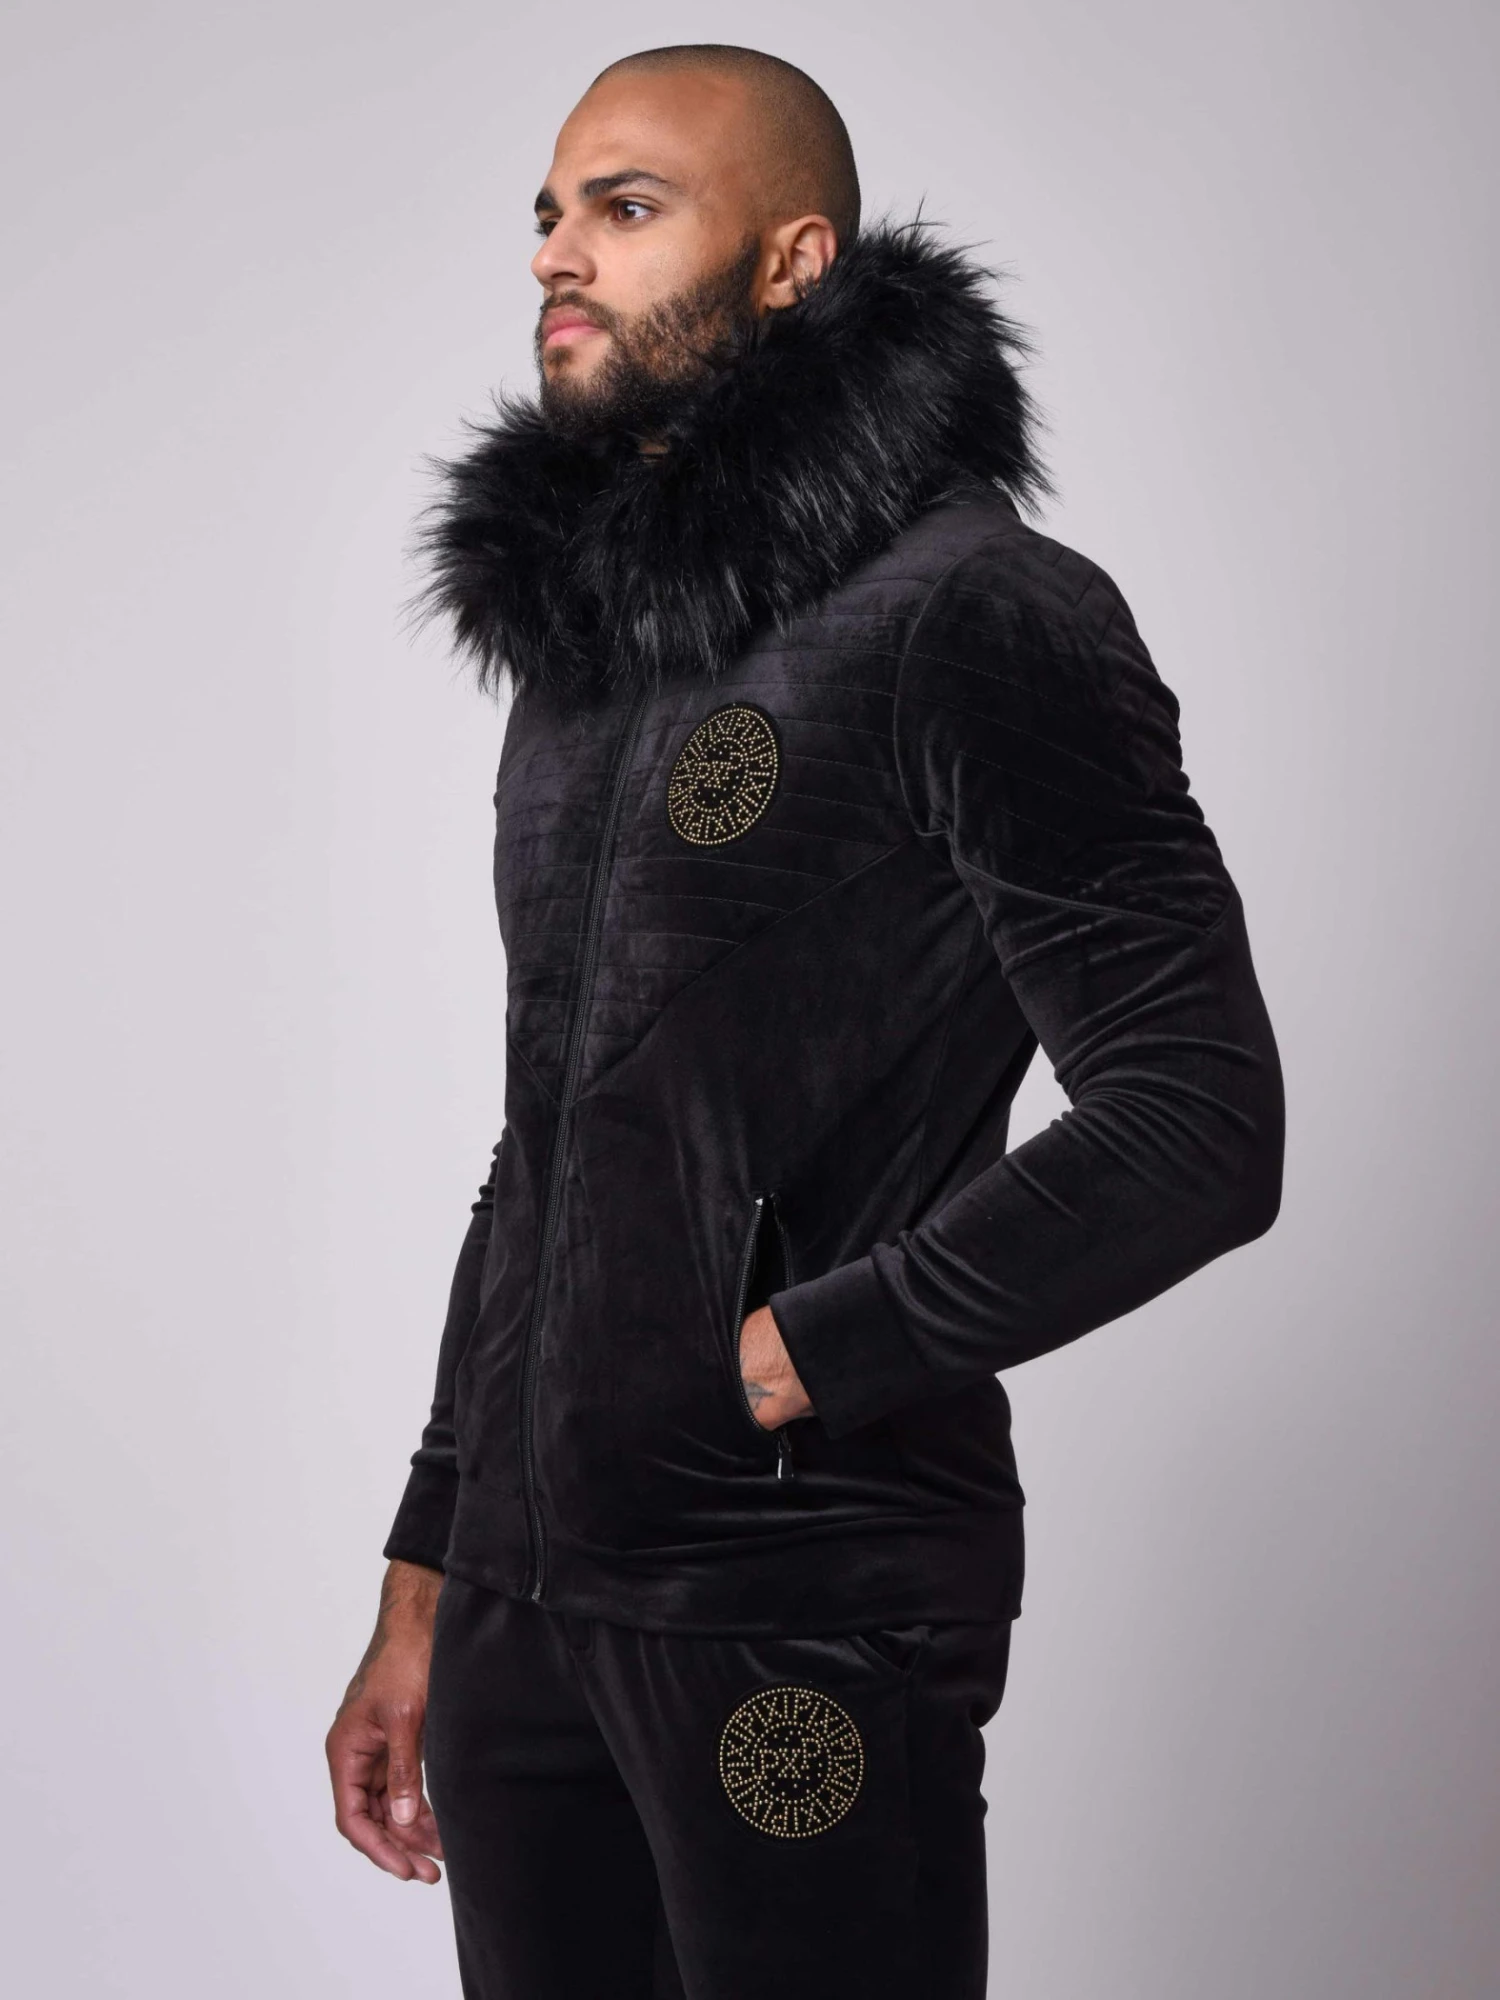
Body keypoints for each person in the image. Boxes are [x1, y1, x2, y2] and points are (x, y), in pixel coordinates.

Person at [325, 41, 1285, 2000]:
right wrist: (428, 1572)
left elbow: (1196, 1116)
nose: (557, 255)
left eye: (628, 207)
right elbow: (549, 1145)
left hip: (799, 1599)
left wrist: (804, 1354)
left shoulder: (979, 611)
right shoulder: (582, 671)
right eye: (549, 214)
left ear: (792, 262)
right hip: (524, 1614)